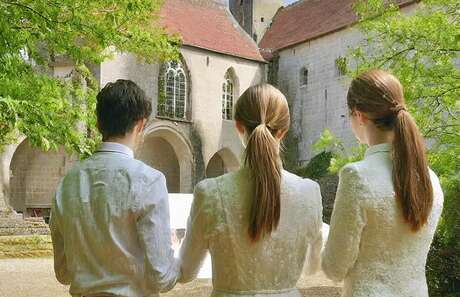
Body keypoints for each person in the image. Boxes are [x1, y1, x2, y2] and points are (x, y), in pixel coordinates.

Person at [178, 84, 323, 297]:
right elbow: (312, 267)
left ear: (238, 126)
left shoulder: (210, 193)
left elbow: (187, 271)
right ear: (283, 131)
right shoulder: (309, 192)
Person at [50, 79, 179, 297]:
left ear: (99, 124)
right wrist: (173, 252)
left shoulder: (67, 183)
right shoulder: (149, 180)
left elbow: (63, 273)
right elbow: (162, 277)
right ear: (140, 124)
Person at [322, 70, 444, 297]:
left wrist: (321, 237)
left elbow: (334, 268)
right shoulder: (431, 179)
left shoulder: (356, 177)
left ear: (359, 115)